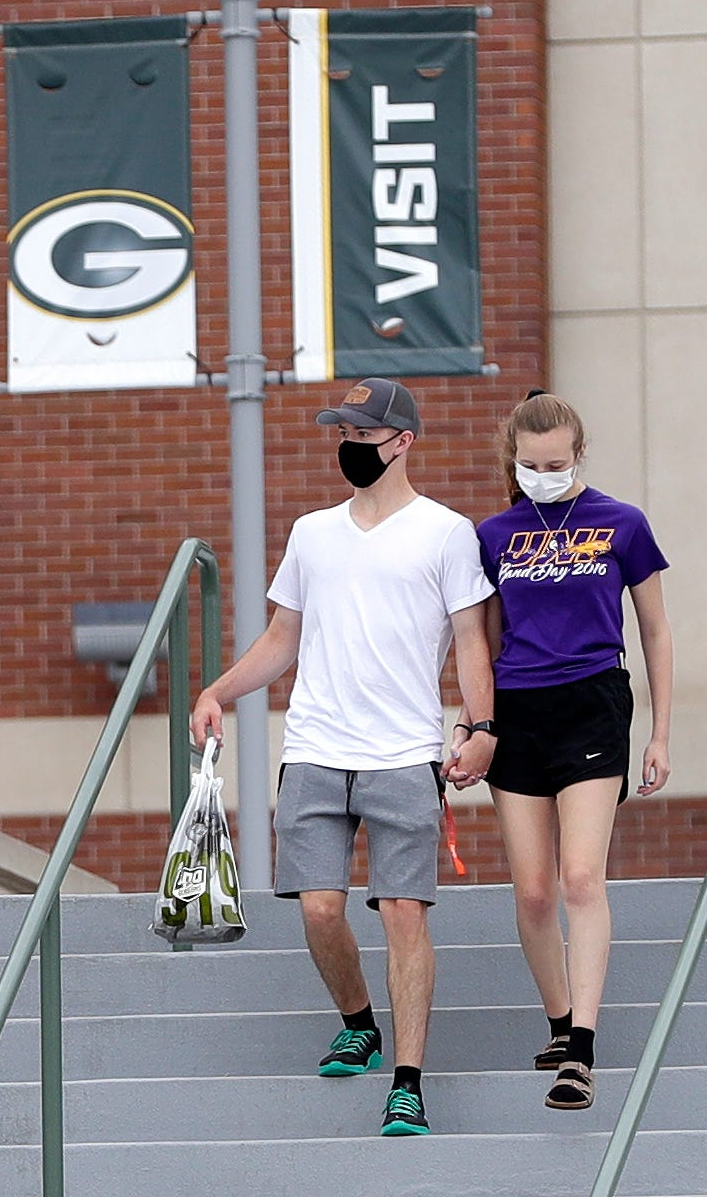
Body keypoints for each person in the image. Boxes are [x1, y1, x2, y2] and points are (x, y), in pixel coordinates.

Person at [190, 378, 498, 1139]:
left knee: (402, 914)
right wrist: (219, 691)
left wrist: (482, 725)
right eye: (344, 432)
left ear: (403, 442)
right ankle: (358, 1021)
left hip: (404, 752)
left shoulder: (446, 532)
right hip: (319, 746)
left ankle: (407, 1082)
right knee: (320, 907)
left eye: (364, 434)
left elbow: (470, 641)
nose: (351, 446)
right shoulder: (311, 533)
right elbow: (281, 638)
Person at [474, 392, 673, 1113]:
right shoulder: (494, 533)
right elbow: (481, 641)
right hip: (518, 706)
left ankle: (582, 1050)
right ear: (514, 460)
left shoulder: (622, 523)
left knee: (581, 876)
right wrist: (475, 725)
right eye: (531, 465)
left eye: (556, 464)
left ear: (579, 454)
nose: (543, 474)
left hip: (593, 700)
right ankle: (559, 1020)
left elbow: (654, 629)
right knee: (533, 890)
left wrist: (659, 731)